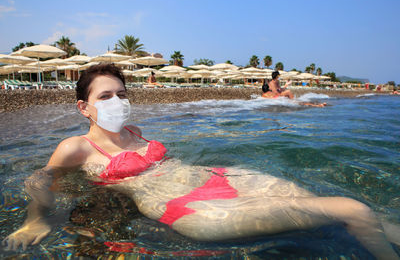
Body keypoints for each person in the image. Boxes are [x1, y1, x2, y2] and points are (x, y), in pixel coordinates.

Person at [3, 63, 399, 259]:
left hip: (224, 179)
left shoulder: (135, 132)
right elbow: (40, 180)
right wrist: (35, 218)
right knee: (352, 209)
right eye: (105, 97)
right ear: (83, 107)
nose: (117, 102)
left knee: (347, 215)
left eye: (121, 94)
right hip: (191, 208)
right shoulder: (77, 147)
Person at [262, 72, 327, 108]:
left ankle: (317, 104)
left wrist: (286, 85)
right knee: (289, 93)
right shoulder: (272, 83)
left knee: (300, 101)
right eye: (278, 76)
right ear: (276, 77)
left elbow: (281, 90)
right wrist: (285, 90)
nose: (279, 77)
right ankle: (317, 105)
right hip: (279, 96)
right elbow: (276, 93)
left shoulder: (277, 82)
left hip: (281, 95)